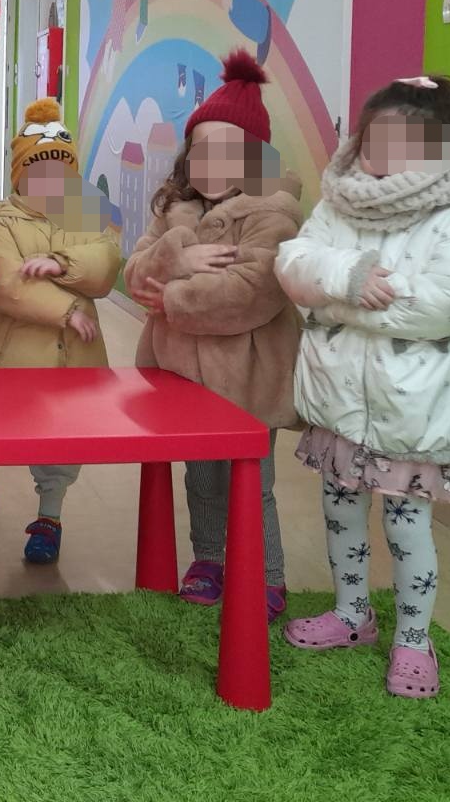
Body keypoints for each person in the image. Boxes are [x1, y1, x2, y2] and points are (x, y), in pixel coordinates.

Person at [275, 75, 450, 699]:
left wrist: (335, 302)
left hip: (415, 409)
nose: (384, 152)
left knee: (407, 526)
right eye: (375, 137)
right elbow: (294, 265)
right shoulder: (339, 203)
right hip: (339, 399)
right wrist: (345, 275)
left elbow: (447, 304)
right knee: (340, 511)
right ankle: (351, 613)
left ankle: (414, 639)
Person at [124, 51, 304, 623]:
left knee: (253, 484)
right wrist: (177, 258)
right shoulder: (175, 213)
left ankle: (267, 575)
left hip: (249, 378)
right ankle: (208, 560)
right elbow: (135, 274)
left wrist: (171, 298)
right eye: (202, 151)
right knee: (200, 477)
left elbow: (250, 293)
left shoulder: (273, 213)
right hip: (182, 377)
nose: (212, 162)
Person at [0, 99, 120, 564]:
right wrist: (66, 306)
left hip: (71, 360)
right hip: (7, 358)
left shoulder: (89, 217)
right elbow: (4, 283)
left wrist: (60, 263)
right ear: (20, 177)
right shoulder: (3, 223)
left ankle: (49, 515)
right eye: (38, 172)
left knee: (62, 442)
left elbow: (106, 265)